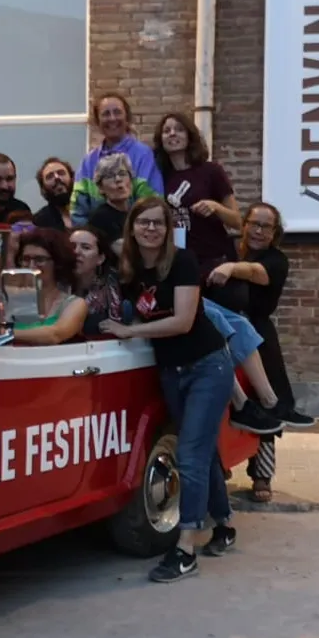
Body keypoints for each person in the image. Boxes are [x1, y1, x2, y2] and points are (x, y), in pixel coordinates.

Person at [99, 197, 238, 583]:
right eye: (143, 222)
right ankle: (224, 523)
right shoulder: (127, 268)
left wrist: (132, 331)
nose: (151, 229)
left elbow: (182, 321)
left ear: (167, 228)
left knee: (190, 455)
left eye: (158, 223)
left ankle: (185, 550)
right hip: (171, 372)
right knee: (202, 449)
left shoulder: (182, 262)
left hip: (208, 366)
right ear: (132, 227)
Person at [152, 112, 283, 437]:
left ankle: (263, 405)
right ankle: (250, 406)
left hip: (214, 266)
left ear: (190, 135)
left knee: (229, 328)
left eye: (178, 129)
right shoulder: (158, 176)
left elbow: (239, 221)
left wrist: (215, 207)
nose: (171, 135)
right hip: (181, 267)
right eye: (166, 131)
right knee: (210, 334)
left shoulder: (211, 172)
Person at [209, 202, 315, 501]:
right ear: (243, 225)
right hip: (221, 329)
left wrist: (230, 267)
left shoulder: (277, 260)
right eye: (254, 223)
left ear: (274, 232)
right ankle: (222, 466)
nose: (258, 231)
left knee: (268, 407)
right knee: (222, 403)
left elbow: (257, 273)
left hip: (258, 336)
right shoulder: (226, 248)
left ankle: (262, 474)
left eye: (265, 226)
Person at [0, 229, 88, 346]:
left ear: (57, 264)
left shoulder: (75, 303)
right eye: (26, 259)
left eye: (40, 260)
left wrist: (1, 335)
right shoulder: (10, 298)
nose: (31, 266)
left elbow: (55, 334)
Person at [69, 92, 163, 226]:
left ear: (127, 118)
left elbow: (151, 203)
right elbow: (77, 209)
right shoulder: (88, 162)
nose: (112, 118)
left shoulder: (143, 154)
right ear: (97, 121)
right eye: (106, 114)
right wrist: (91, 238)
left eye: (117, 112)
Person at [70, 226, 123, 336]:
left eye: (86, 247)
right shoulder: (52, 283)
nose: (76, 252)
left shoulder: (114, 288)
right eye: (71, 246)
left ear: (100, 258)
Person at [86, 153, 138, 252]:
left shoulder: (136, 213)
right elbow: (126, 253)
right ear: (101, 188)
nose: (118, 179)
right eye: (110, 176)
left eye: (122, 174)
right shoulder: (100, 217)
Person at [32, 158, 75, 230]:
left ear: (72, 178)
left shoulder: (90, 211)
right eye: (49, 177)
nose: (57, 177)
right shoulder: (39, 221)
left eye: (61, 173)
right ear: (43, 188)